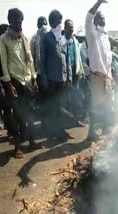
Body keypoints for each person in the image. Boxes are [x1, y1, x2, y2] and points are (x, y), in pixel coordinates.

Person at [0, 8, 39, 158]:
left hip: (27, 80)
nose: (19, 25)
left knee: (29, 114)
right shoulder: (4, 39)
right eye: (16, 22)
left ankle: (31, 141)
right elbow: (4, 64)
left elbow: (30, 61)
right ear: (10, 21)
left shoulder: (24, 38)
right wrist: (8, 85)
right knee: (16, 116)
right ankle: (17, 147)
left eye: (21, 21)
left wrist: (34, 79)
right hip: (15, 82)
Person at [40, 10, 75, 141]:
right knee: (53, 108)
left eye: (61, 21)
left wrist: (69, 77)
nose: (60, 24)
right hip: (51, 80)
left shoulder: (62, 38)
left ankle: (61, 131)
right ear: (51, 22)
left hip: (63, 79)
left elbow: (67, 60)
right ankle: (53, 133)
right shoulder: (46, 38)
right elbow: (42, 61)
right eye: (58, 21)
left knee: (62, 106)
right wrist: (44, 80)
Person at [85, 0, 115, 140]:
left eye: (104, 19)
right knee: (95, 105)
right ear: (95, 20)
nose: (103, 21)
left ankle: (105, 128)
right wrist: (98, 3)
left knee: (108, 104)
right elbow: (89, 16)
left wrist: (111, 76)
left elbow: (108, 59)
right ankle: (91, 131)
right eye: (100, 18)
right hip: (96, 76)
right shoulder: (92, 33)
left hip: (107, 77)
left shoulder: (105, 36)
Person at [62, 19, 85, 126]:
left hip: (75, 74)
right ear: (65, 28)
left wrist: (82, 71)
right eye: (69, 27)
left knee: (76, 98)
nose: (71, 29)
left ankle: (76, 120)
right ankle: (67, 122)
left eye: (72, 27)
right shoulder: (61, 41)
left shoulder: (75, 41)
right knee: (66, 99)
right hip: (65, 75)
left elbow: (78, 57)